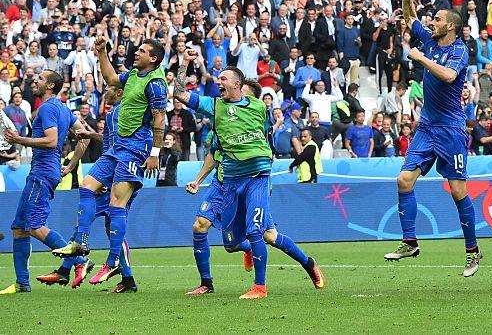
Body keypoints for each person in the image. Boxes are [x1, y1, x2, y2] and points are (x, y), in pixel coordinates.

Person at [172, 58, 325, 299]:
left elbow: (268, 143)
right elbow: (180, 95)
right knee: (231, 243)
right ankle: (249, 253)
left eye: (223, 78)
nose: (218, 82)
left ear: (237, 85)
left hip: (257, 178)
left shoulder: (258, 108)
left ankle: (262, 286)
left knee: (259, 233)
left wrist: (264, 167)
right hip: (228, 182)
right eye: (218, 78)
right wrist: (187, 63)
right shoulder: (214, 108)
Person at [384, 0, 482, 278]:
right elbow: (410, 17)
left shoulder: (459, 50)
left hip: (451, 129)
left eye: (437, 19)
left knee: (457, 191)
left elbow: (450, 77)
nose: (431, 22)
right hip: (427, 127)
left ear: (450, 25)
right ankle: (410, 242)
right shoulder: (429, 38)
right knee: (403, 180)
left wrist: (420, 58)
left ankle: (472, 251)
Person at [51, 37, 169, 288]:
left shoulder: (156, 83)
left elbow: (160, 119)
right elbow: (112, 79)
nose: (136, 52)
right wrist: (102, 52)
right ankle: (81, 241)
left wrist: (155, 152)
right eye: (138, 49)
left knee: (117, 204)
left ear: (154, 58)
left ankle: (114, 260)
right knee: (86, 185)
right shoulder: (133, 76)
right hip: (117, 148)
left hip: (136, 147)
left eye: (142, 51)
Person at [37, 85, 139, 292]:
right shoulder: (112, 114)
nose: (105, 92)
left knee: (102, 226)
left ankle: (70, 268)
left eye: (109, 88)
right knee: (96, 225)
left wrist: (106, 182)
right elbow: (112, 147)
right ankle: (125, 280)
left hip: (121, 178)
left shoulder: (127, 111)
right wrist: (92, 135)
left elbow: (125, 149)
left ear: (120, 92)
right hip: (110, 176)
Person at [1, 71, 87, 295]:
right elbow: (84, 136)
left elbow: (51, 141)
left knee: (34, 226)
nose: (34, 80)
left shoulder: (48, 108)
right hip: (45, 171)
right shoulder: (64, 109)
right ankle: (22, 283)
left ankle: (79, 261)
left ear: (49, 85)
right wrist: (71, 165)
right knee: (19, 228)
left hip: (42, 172)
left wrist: (19, 139)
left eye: (39, 78)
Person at [180, 79, 264, 296]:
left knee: (241, 241)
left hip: (250, 182)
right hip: (222, 184)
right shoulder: (222, 118)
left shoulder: (259, 118)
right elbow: (214, 155)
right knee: (199, 226)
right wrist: (197, 181)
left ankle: (303, 264)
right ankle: (206, 283)